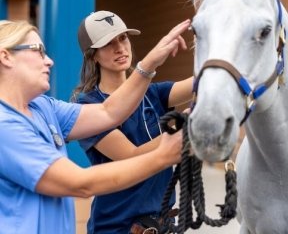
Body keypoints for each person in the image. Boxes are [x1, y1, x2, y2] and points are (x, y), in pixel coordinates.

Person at [0, 18, 191, 234]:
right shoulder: (5, 127)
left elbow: (108, 111)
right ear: (5, 56)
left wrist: (150, 63)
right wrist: (165, 153)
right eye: (38, 51)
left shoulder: (42, 107)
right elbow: (80, 183)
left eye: (123, 38)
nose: (49, 61)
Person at [72, 10, 193, 234]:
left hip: (164, 226)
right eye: (108, 43)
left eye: (123, 38)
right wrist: (180, 126)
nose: (120, 47)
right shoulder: (88, 107)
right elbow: (131, 156)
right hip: (117, 228)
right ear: (93, 56)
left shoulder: (153, 93)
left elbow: (201, 83)